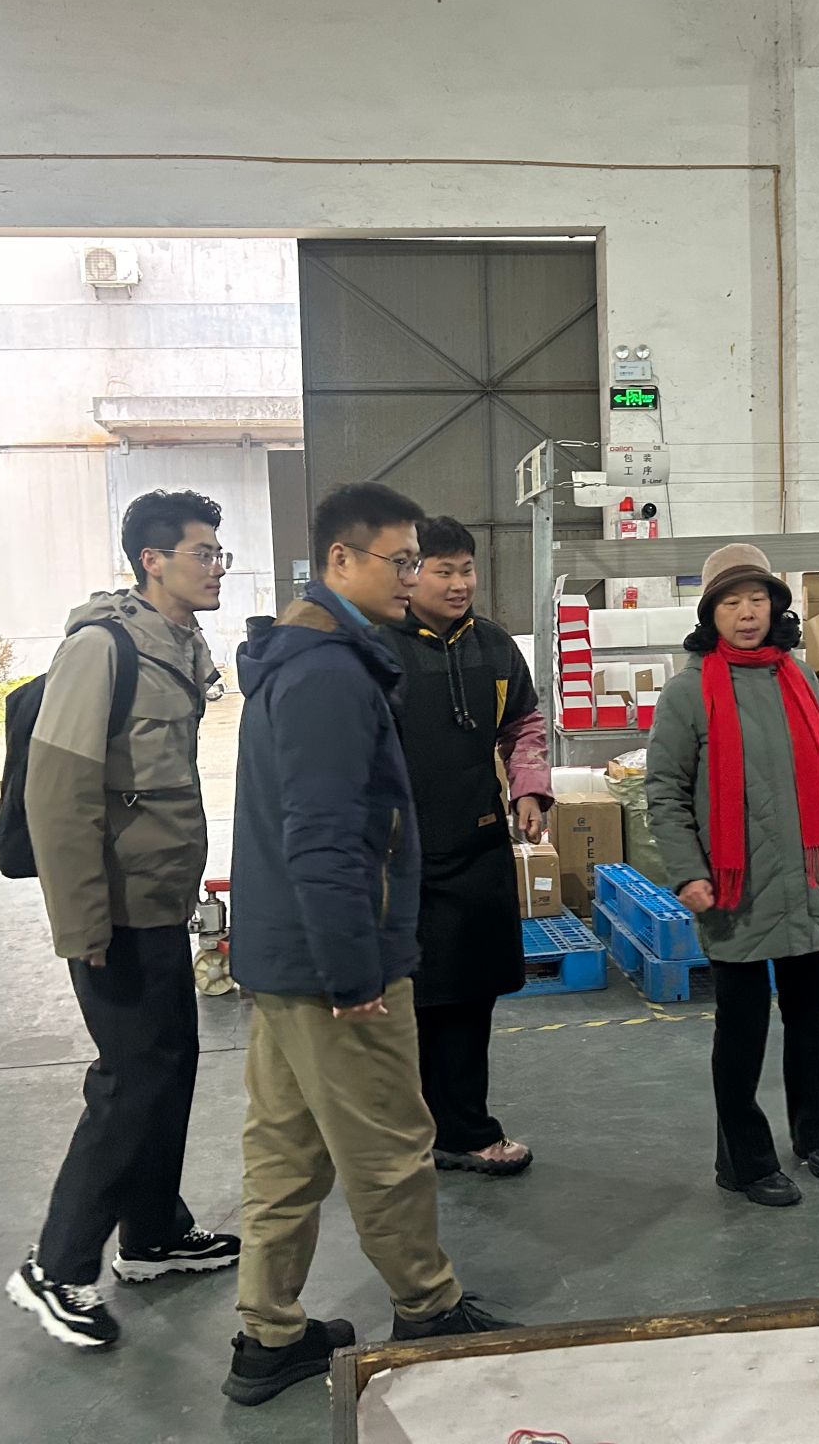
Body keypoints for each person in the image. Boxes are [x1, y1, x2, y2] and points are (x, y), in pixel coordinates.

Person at [222, 483, 514, 1407]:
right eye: (401, 562)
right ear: (340, 561)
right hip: (332, 965)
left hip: (284, 956)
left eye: (418, 562)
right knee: (390, 1143)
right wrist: (354, 970)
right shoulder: (330, 676)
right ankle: (428, 1310)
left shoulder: (306, 655)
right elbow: (325, 835)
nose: (414, 578)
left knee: (287, 1150)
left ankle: (268, 1336)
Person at [6, 488, 242, 1351]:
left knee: (169, 1065)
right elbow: (58, 794)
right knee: (131, 1077)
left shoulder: (178, 643)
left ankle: (152, 1234)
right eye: (202, 553)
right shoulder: (101, 647)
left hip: (160, 900)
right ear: (153, 560)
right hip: (113, 910)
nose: (216, 567)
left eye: (218, 553)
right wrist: (83, 924)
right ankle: (57, 1264)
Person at [645, 544, 819, 1210]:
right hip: (734, 887)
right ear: (711, 613)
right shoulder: (689, 692)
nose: (747, 613)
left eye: (758, 600)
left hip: (807, 878)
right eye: (732, 602)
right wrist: (687, 873)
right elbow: (665, 793)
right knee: (741, 1032)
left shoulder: (800, 678)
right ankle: (742, 1163)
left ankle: (817, 1136)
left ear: (775, 607)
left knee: (811, 1019)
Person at [380, 517, 552, 1177]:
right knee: (411, 1002)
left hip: (477, 845)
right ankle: (415, 1130)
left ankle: (462, 1128)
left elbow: (524, 723)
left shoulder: (493, 646)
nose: (459, 584)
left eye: (466, 570)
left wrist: (529, 790)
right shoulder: (377, 647)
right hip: (399, 856)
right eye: (443, 571)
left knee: (471, 995)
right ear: (410, 572)